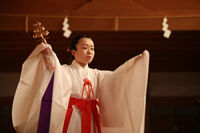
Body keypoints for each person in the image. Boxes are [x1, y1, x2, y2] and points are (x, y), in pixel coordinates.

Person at [12, 35, 150, 133]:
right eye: (85, 48)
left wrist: (134, 65)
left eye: (92, 48)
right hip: (74, 116)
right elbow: (55, 70)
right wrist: (48, 55)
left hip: (92, 117)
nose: (89, 51)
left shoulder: (97, 74)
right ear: (73, 52)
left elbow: (117, 77)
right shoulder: (66, 71)